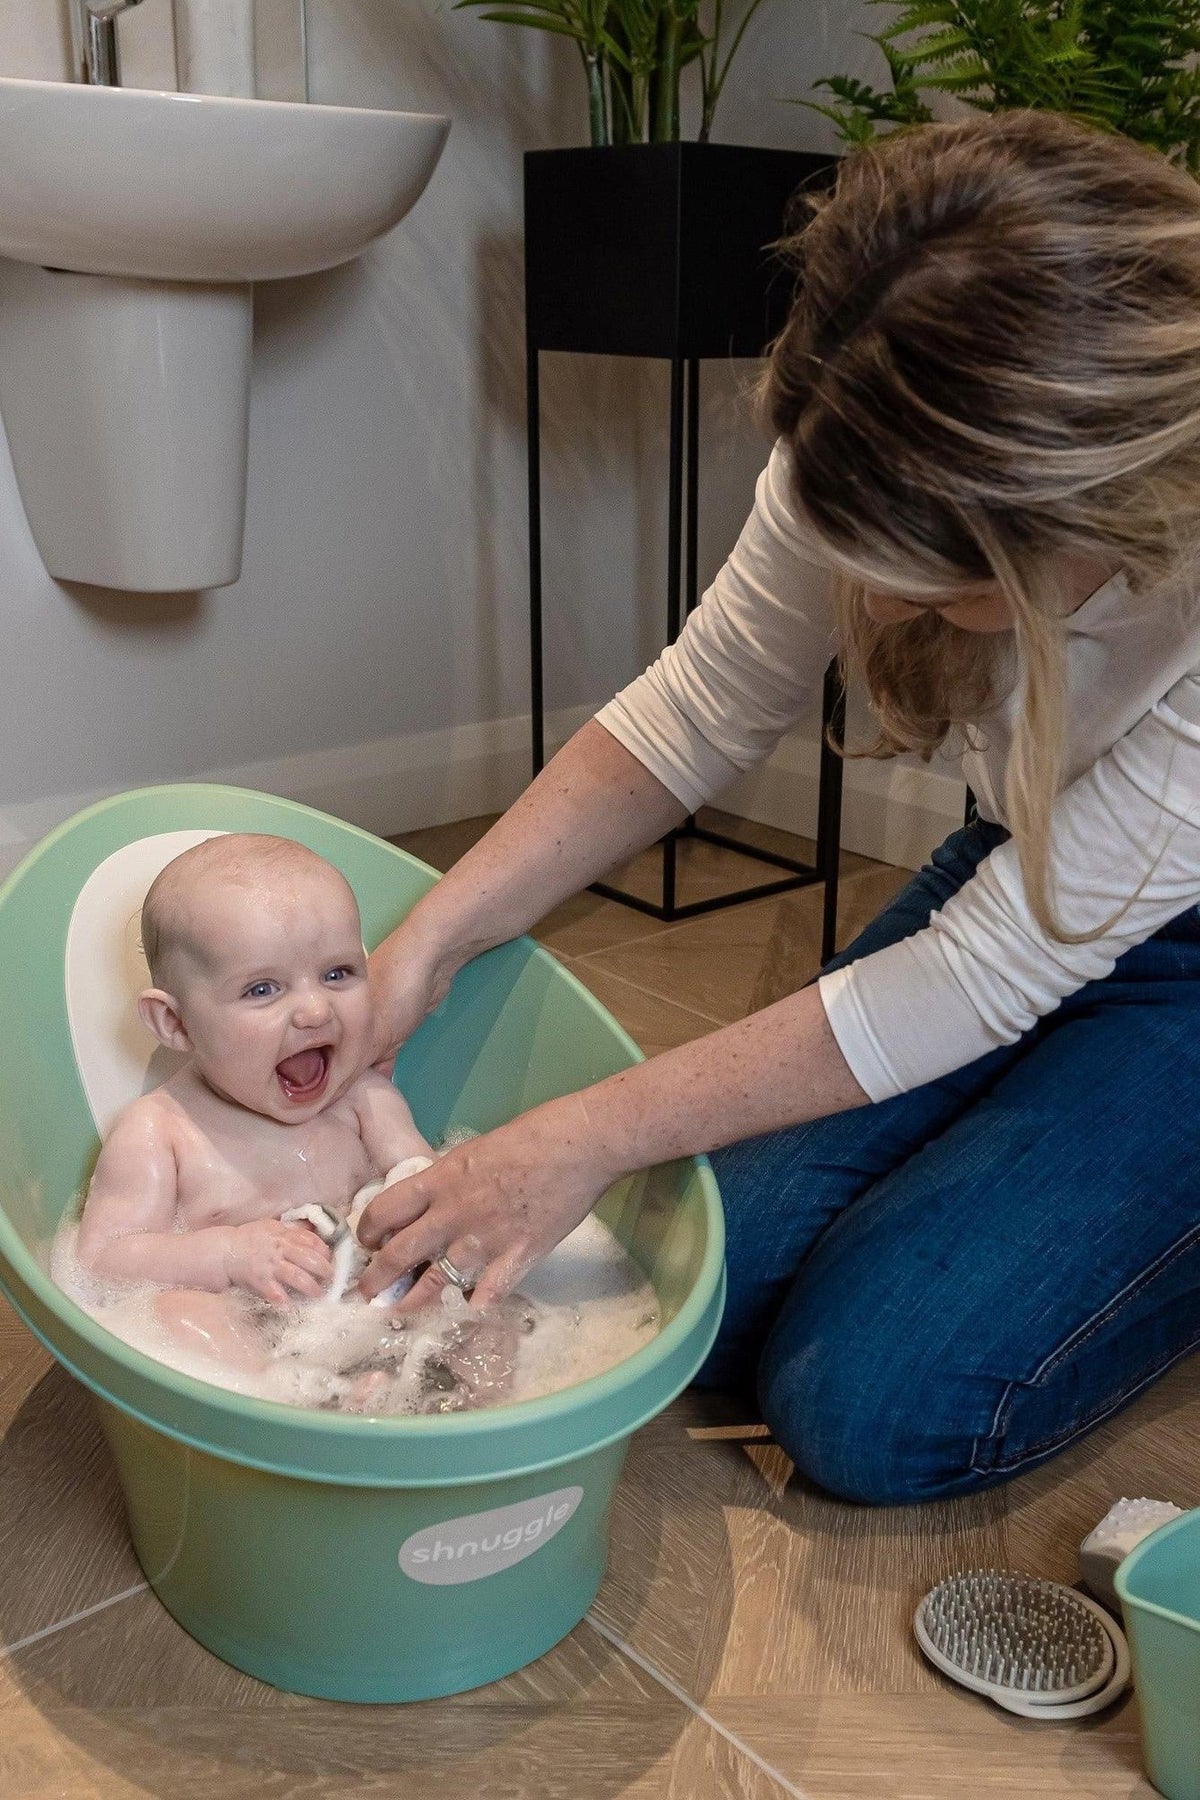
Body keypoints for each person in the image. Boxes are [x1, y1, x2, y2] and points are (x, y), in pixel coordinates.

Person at [357, 107, 1200, 1504]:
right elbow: (696, 712)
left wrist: (572, 1134)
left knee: (870, 1403)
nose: (883, 613)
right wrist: (431, 938)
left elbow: (986, 976)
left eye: (933, 588)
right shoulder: (868, 420)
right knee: (693, 1294)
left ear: (1088, 518)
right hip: (1027, 866)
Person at [76, 834, 434, 1357]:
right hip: (257, 1329)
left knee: (480, 1297)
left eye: (338, 974)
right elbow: (101, 1260)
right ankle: (286, 1408)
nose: (315, 1010)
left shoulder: (365, 1099)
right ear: (175, 1023)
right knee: (176, 1316)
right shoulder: (160, 1131)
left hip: (374, 1309)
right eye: (262, 989)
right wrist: (227, 1254)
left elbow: (424, 1183)